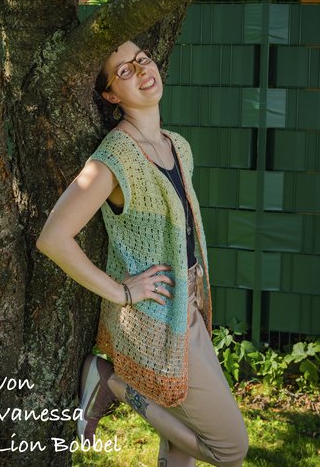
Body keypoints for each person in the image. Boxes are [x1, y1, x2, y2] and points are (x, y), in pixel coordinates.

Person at [36, 41, 249, 466]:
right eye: (124, 71)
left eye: (141, 60)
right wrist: (122, 292)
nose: (140, 70)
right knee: (229, 449)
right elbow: (53, 238)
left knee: (182, 447)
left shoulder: (178, 146)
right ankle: (111, 383)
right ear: (111, 95)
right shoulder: (115, 158)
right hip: (156, 319)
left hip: (189, 304)